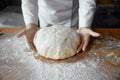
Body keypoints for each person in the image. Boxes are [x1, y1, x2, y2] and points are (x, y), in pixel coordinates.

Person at [17, 0, 100, 53]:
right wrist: (31, 25)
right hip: (46, 18)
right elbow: (29, 1)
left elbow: (87, 1)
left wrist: (84, 26)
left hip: (73, 21)